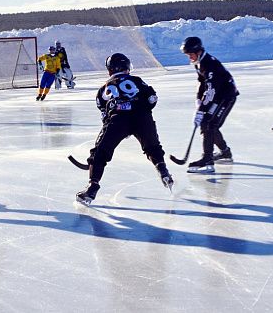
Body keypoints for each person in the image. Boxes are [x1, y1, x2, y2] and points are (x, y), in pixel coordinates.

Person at [75, 53, 174, 205]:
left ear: (109, 71)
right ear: (127, 67)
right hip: (142, 117)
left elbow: (104, 114)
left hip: (118, 119)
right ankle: (163, 170)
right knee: (152, 147)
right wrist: (142, 111)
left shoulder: (103, 89)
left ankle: (92, 187)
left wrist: (119, 125)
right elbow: (152, 98)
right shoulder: (137, 80)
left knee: (99, 153)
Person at [180, 37, 239, 173]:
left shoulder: (209, 64)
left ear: (198, 51)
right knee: (209, 124)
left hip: (226, 96)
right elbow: (202, 83)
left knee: (208, 124)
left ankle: (207, 159)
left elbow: (211, 91)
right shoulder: (199, 62)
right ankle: (225, 152)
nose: (189, 57)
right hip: (217, 95)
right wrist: (198, 101)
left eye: (190, 54)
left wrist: (201, 110)